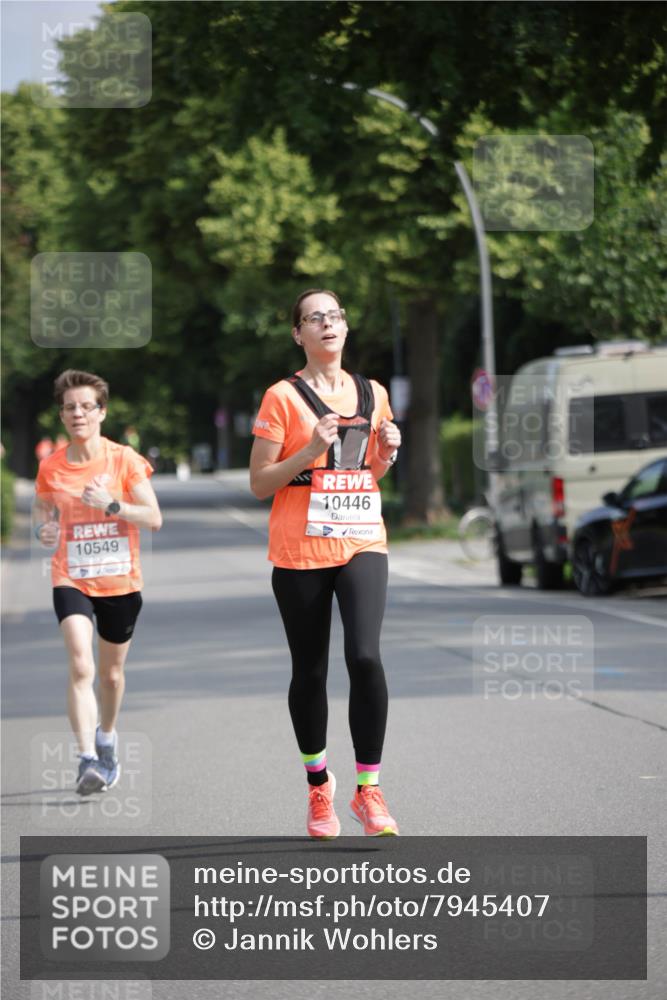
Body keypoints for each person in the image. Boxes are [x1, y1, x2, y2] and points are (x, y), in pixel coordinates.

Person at [250, 289, 402, 838]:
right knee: (310, 671)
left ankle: (369, 790)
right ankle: (319, 787)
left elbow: (367, 476)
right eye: (315, 319)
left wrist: (387, 449)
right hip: (299, 551)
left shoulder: (372, 392)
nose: (327, 325)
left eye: (334, 316)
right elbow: (260, 482)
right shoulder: (281, 398)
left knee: (364, 657)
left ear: (344, 327)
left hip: (362, 542)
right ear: (299, 334)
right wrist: (309, 450)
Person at [34, 370, 162, 795]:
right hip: (71, 575)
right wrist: (44, 532)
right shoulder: (51, 467)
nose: (77, 414)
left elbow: (153, 517)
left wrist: (111, 503)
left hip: (120, 580)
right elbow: (42, 512)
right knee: (80, 664)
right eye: (70, 407)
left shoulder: (123, 459)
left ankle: (106, 735)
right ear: (62, 415)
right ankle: (87, 757)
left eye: (86, 406)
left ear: (101, 412)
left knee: (109, 675)